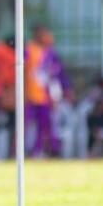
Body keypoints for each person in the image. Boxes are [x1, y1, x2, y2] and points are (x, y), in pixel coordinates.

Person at [25, 25, 70, 158]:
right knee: (26, 125)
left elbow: (59, 74)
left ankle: (45, 150)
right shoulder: (29, 49)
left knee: (45, 126)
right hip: (30, 95)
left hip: (46, 96)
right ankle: (26, 151)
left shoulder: (51, 53)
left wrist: (65, 89)